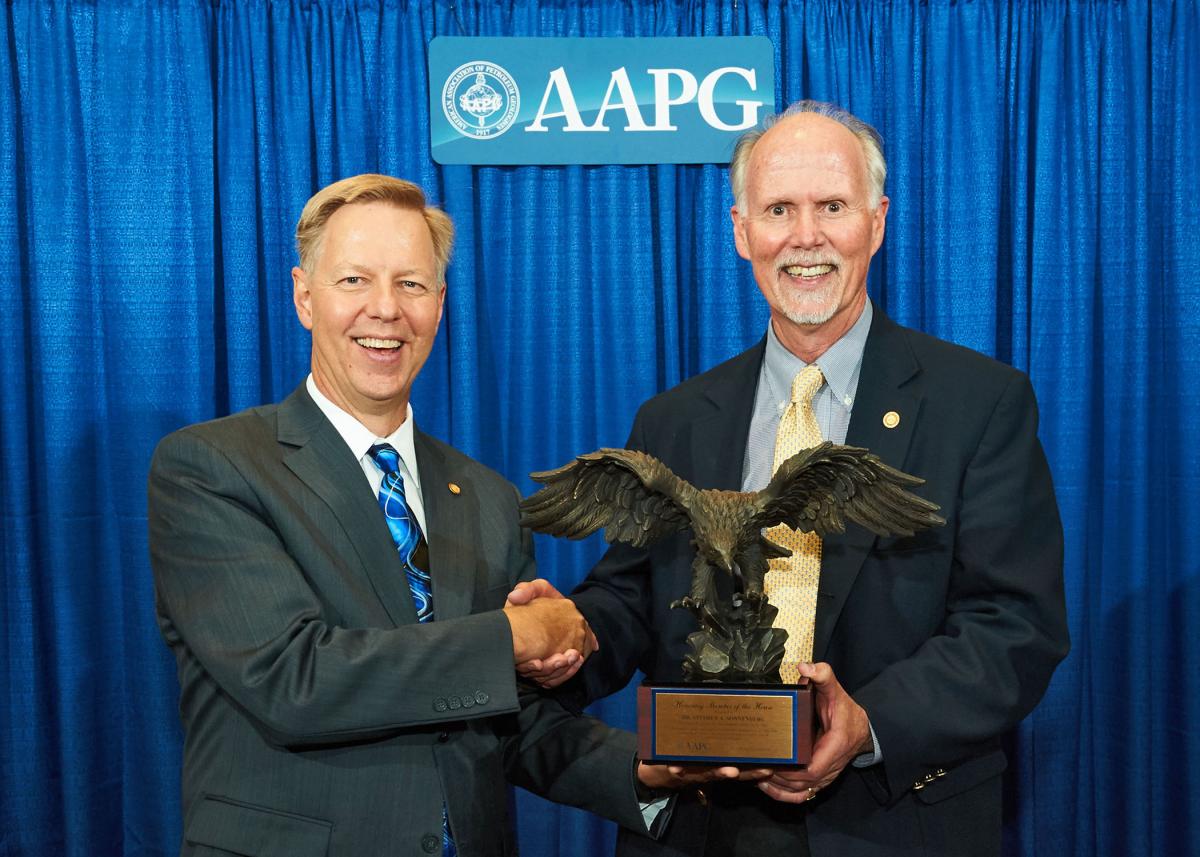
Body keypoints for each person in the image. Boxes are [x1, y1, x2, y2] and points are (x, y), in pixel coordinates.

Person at [516, 101, 1070, 856]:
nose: (805, 237)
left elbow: (1016, 625)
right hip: (698, 827)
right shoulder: (673, 418)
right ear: (743, 231)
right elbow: (632, 599)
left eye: (832, 207)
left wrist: (867, 724)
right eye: (779, 209)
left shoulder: (980, 403)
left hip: (894, 823)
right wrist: (572, 634)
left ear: (875, 221)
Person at [148, 174, 675, 857]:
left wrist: (646, 771)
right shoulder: (212, 467)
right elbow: (293, 679)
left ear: (440, 304)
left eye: (412, 284)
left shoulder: (487, 498)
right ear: (304, 296)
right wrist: (513, 636)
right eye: (355, 281)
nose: (386, 309)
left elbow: (502, 716)